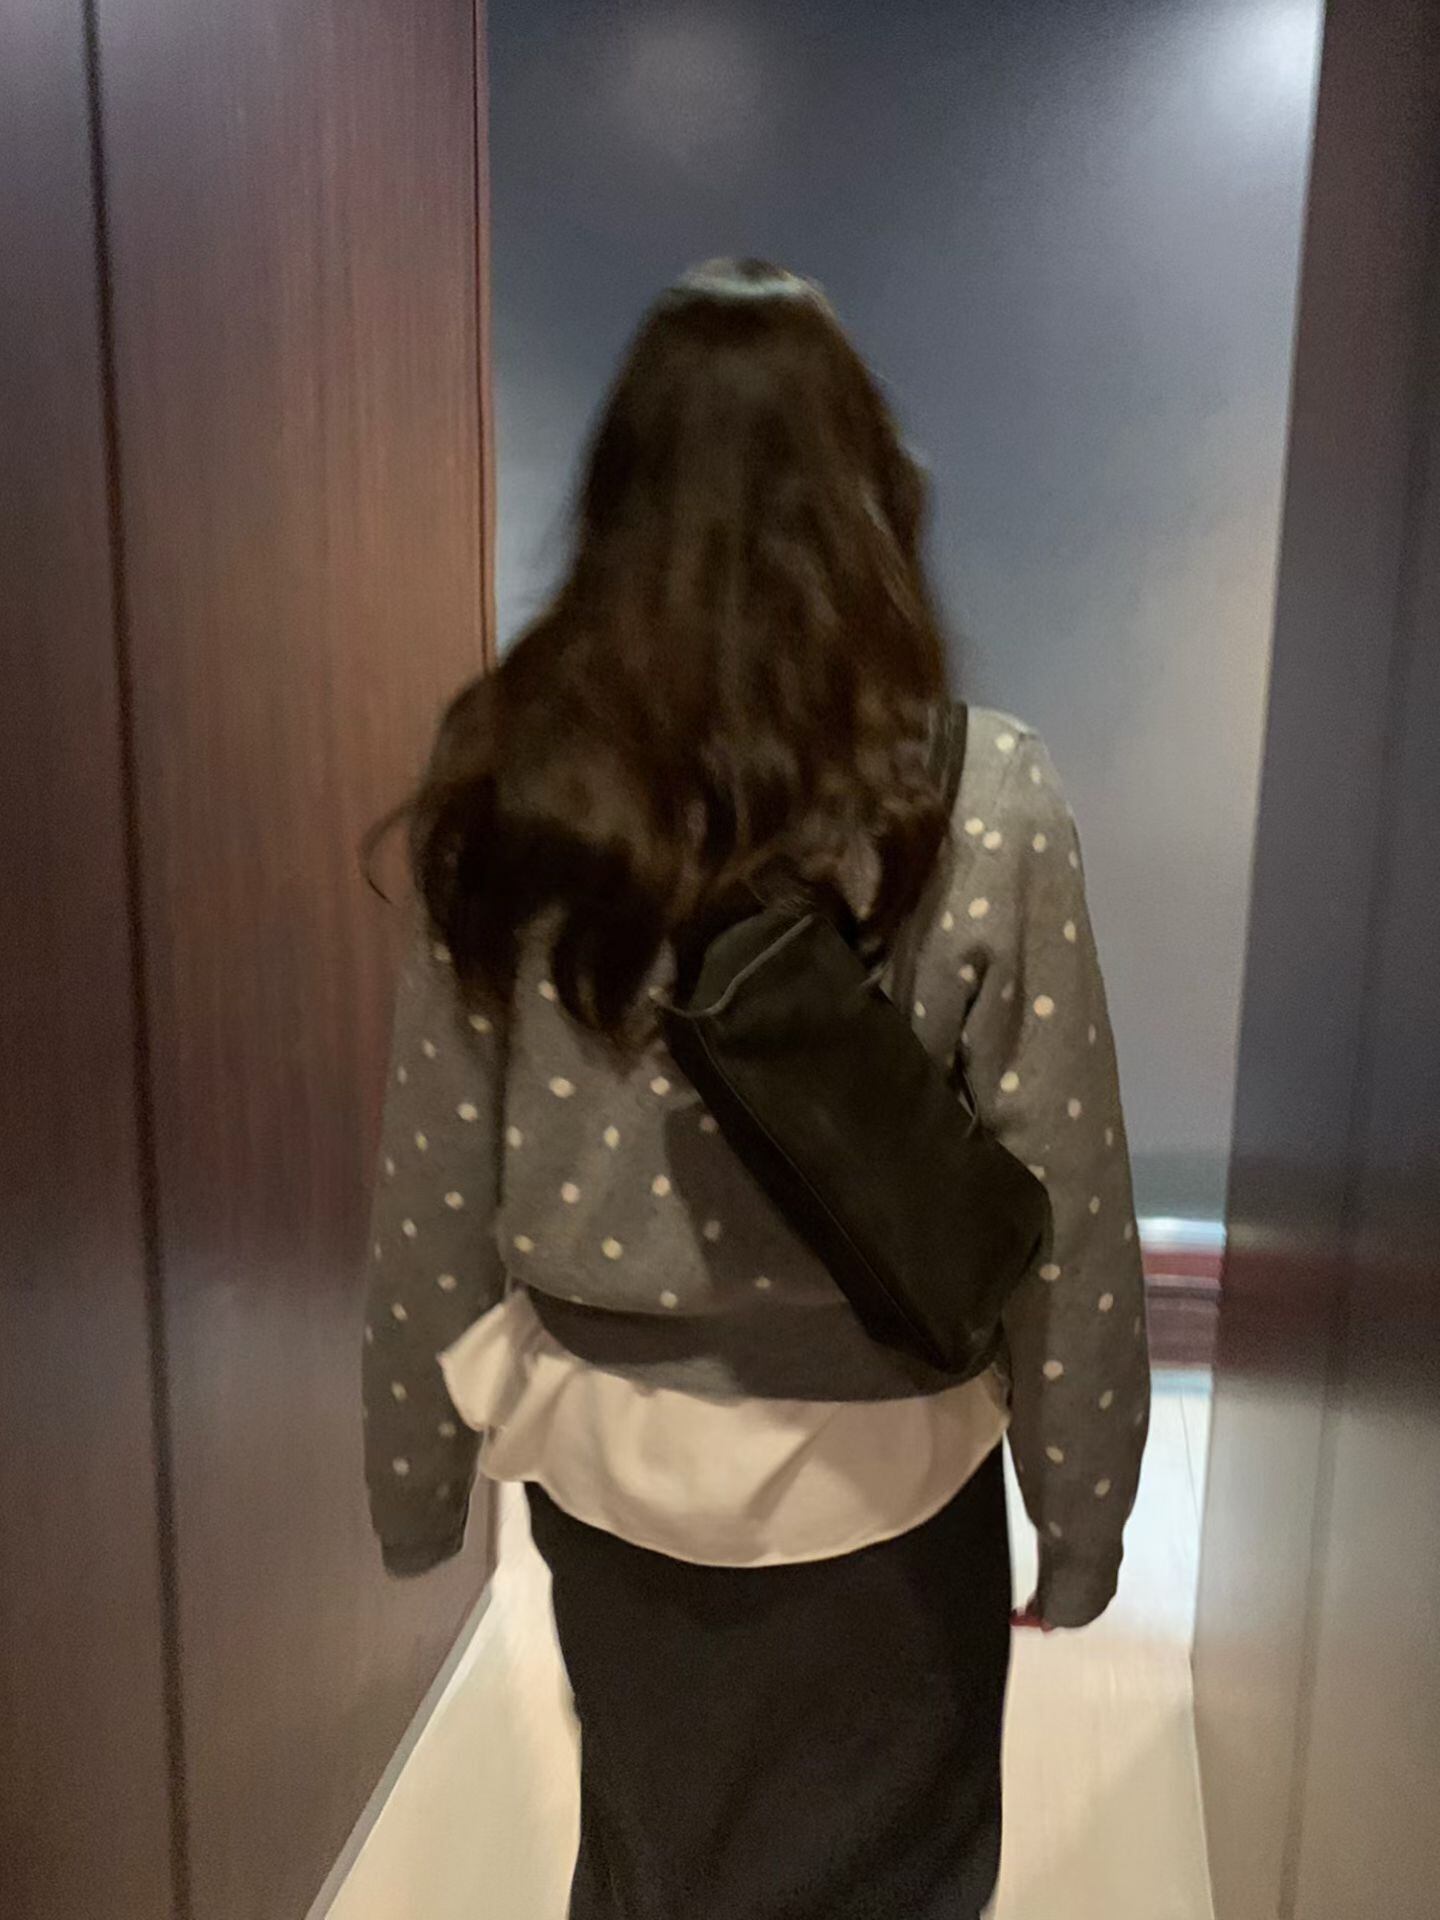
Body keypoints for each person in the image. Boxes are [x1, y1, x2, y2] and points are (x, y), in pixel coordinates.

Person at [362, 258, 1150, 1920]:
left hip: (609, 1460)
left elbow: (435, 1172)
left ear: (619, 507)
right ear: (871, 501)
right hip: (897, 1474)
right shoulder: (981, 795)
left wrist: (417, 1477)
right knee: (895, 1871)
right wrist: (1082, 1511)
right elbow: (1063, 1198)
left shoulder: (510, 788)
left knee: (657, 1849)